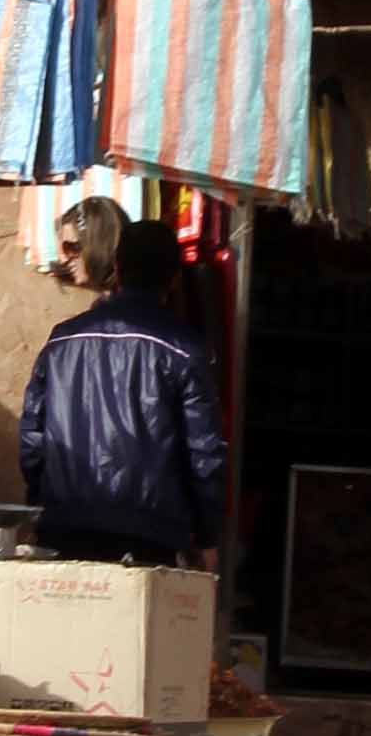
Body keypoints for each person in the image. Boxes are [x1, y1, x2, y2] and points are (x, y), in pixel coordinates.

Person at [18, 212, 224, 567]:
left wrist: (39, 506)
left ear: (118, 266)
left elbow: (32, 439)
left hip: (65, 525)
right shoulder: (185, 349)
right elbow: (204, 454)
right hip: (150, 534)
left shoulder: (62, 339)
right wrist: (206, 536)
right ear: (174, 279)